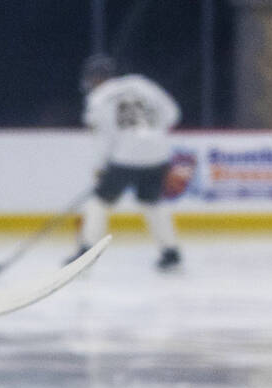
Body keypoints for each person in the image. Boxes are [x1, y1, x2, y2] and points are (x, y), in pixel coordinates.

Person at [64, 54, 183, 270]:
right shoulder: (140, 83)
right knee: (152, 202)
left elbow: (103, 138)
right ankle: (171, 252)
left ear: (95, 77)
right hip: (158, 152)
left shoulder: (98, 98)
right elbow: (173, 114)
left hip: (125, 156)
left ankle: (86, 252)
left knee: (99, 202)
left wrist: (100, 167)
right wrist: (152, 134)